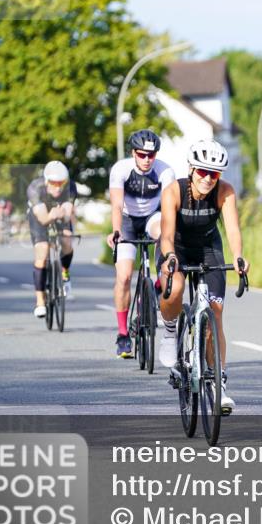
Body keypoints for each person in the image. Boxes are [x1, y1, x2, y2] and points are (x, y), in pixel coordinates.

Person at [157, 140, 248, 414]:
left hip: (209, 248)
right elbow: (167, 235)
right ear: (191, 169)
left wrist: (239, 256)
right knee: (175, 287)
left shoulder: (225, 192)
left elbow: (232, 230)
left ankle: (219, 385)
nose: (208, 179)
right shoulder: (173, 191)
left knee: (215, 313)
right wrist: (171, 257)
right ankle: (171, 331)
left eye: (215, 174)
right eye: (202, 172)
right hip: (178, 248)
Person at [105, 129, 176, 358]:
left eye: (151, 155)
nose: (147, 159)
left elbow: (168, 209)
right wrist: (116, 231)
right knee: (124, 276)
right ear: (133, 153)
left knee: (162, 232)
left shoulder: (165, 172)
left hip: (152, 217)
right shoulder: (121, 170)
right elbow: (116, 205)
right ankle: (123, 333)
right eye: (142, 154)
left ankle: (156, 285)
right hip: (126, 220)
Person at [27, 161, 77, 318]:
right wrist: (52, 215)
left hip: (59, 213)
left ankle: (65, 274)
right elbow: (43, 219)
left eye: (61, 183)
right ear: (47, 181)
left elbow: (68, 213)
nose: (58, 187)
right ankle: (40, 301)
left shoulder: (70, 186)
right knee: (42, 251)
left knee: (67, 239)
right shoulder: (35, 188)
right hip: (39, 216)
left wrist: (63, 214)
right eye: (54, 183)